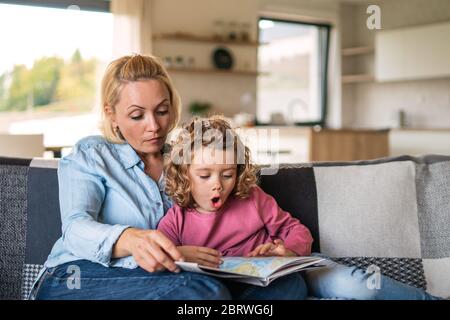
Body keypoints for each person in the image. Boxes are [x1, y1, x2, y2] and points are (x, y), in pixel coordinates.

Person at [158, 115, 440, 300]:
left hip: (280, 276)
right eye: (205, 175)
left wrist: (287, 250)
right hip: (227, 289)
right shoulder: (176, 219)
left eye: (228, 174)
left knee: (351, 285)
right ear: (184, 173)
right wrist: (178, 253)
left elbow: (297, 230)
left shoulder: (253, 198)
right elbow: (157, 261)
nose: (218, 185)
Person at [30, 54, 231, 300]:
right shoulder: (93, 154)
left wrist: (266, 247)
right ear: (111, 114)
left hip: (164, 277)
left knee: (284, 287)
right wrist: (130, 239)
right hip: (74, 277)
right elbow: (74, 228)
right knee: (201, 291)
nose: (154, 126)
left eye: (162, 111)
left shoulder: (186, 161)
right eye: (137, 116)